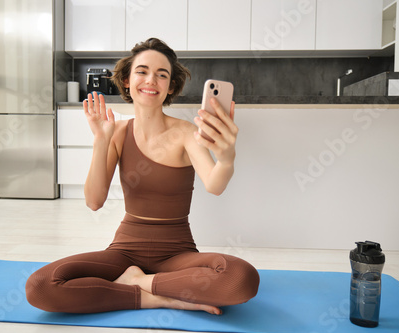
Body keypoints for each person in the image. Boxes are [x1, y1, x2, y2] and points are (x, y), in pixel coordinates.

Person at [26, 38, 259, 315]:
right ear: (126, 80)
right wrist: (101, 140)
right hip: (124, 251)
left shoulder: (186, 133)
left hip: (177, 253)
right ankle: (155, 296)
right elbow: (94, 201)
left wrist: (227, 158)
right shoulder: (118, 132)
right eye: (142, 71)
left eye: (162, 75)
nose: (152, 80)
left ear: (170, 86)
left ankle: (139, 282)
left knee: (240, 278)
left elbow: (215, 185)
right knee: (40, 285)